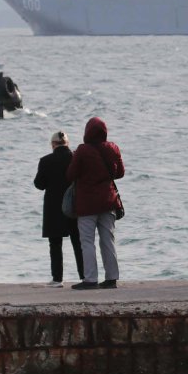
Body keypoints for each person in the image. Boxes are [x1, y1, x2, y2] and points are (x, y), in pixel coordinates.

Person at [66, 117, 124, 289]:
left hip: (87, 204)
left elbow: (70, 175)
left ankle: (90, 279)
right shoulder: (113, 148)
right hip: (108, 201)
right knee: (108, 240)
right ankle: (112, 278)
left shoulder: (82, 151)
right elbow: (120, 173)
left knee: (87, 241)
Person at [34, 131, 82, 287]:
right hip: (75, 205)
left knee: (55, 243)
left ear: (53, 145)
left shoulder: (46, 161)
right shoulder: (76, 159)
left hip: (54, 207)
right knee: (78, 242)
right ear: (67, 143)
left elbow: (39, 184)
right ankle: (84, 276)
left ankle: (57, 279)